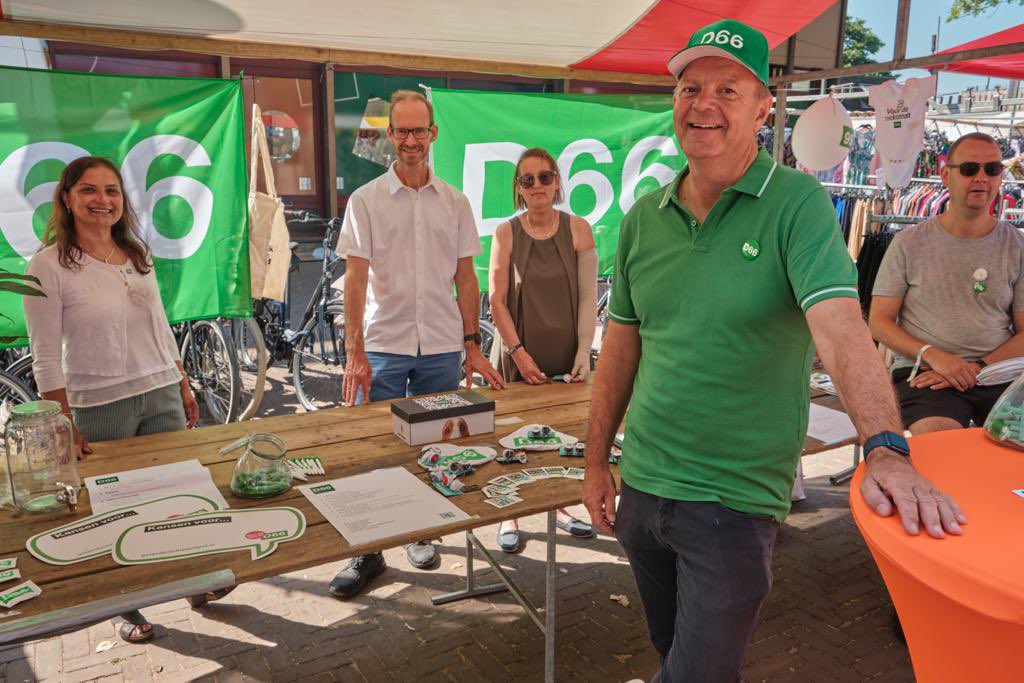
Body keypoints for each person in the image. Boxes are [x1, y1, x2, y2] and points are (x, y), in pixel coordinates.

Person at [581, 19, 966, 682]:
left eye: (728, 90)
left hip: (732, 501)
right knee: (671, 647)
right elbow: (620, 348)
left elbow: (843, 330)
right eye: (690, 87)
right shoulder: (645, 215)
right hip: (643, 489)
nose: (704, 103)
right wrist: (595, 463)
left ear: (763, 108)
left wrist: (885, 447)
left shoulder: (798, 204)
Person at [22, 156, 231, 644]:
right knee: (112, 508)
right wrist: (62, 421)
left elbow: (159, 325)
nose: (103, 200)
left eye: (112, 191)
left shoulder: (137, 252)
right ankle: (124, 602)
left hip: (158, 391)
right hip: (98, 404)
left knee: (175, 495)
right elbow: (45, 354)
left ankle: (191, 581)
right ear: (67, 198)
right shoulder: (48, 265)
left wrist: (181, 381)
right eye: (90, 191)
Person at [331, 89, 504, 599]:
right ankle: (367, 552)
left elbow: (467, 279)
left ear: (433, 134)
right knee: (376, 452)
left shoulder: (454, 202)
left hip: (440, 349)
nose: (410, 140)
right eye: (401, 131)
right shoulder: (365, 201)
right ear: (390, 136)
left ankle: (422, 530)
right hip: (384, 346)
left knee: (436, 448)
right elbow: (356, 283)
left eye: (418, 131)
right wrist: (354, 354)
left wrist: (472, 343)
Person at [870, 132, 1024, 435]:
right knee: (940, 440)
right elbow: (879, 321)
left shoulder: (1017, 246)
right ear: (945, 176)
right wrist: (934, 355)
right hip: (925, 372)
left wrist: (977, 368)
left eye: (992, 169)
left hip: (997, 372)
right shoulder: (908, 243)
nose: (982, 178)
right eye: (969, 169)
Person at [488, 147, 597, 552]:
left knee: (566, 438)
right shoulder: (505, 233)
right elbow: (496, 299)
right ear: (518, 188)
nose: (537, 185)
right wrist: (517, 351)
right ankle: (509, 513)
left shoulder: (578, 228)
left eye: (544, 177)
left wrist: (584, 350)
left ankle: (560, 508)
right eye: (527, 179)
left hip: (567, 354)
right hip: (519, 355)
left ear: (557, 182)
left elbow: (589, 296)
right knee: (512, 438)